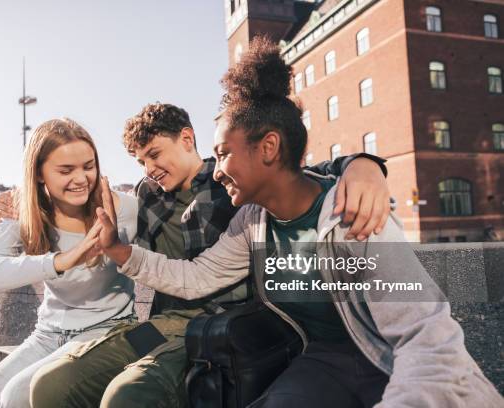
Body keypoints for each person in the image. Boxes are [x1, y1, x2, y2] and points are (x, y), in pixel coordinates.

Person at [92, 37, 503, 407]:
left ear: (268, 147)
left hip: (388, 361)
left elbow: (427, 342)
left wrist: (362, 164)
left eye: (224, 154)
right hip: (320, 361)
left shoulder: (351, 215)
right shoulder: (253, 222)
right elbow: (197, 277)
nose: (215, 171)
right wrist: (117, 250)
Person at [3, 101, 392, 407]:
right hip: (160, 325)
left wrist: (362, 164)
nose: (149, 167)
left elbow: (297, 172)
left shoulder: (231, 179)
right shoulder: (146, 195)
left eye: (155, 154)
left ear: (187, 139)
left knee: (130, 395)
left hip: (219, 325)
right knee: (55, 384)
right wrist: (23, 198)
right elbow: (82, 196)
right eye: (140, 160)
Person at [0, 118, 138, 408]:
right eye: (66, 170)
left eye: (88, 166)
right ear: (39, 173)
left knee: (15, 396)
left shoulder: (123, 208)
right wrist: (61, 261)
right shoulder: (24, 212)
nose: (81, 179)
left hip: (108, 331)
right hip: (47, 334)